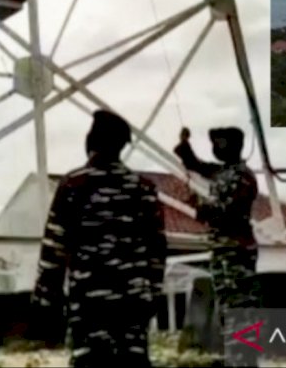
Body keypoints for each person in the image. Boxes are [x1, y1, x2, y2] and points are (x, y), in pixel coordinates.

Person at [31, 110, 167, 367]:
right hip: (134, 305)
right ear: (121, 145)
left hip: (90, 304)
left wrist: (46, 299)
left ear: (90, 140)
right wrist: (152, 297)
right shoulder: (144, 189)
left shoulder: (73, 184)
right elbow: (157, 252)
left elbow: (54, 248)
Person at [174, 126, 260, 367]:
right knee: (229, 309)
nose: (216, 148)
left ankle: (244, 359)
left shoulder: (241, 176)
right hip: (226, 251)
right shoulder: (225, 172)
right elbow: (197, 165)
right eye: (214, 143)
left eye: (220, 143)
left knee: (240, 310)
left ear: (234, 146)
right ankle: (237, 358)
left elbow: (226, 215)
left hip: (236, 252)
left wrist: (198, 205)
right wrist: (184, 147)